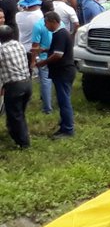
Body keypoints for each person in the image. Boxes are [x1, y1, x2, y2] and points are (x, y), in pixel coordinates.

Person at [42, 10, 75, 138]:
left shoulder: (60, 34)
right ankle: (64, 125)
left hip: (63, 72)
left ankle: (68, 129)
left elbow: (58, 55)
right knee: (62, 100)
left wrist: (43, 62)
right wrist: (45, 50)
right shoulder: (61, 33)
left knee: (64, 101)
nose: (45, 26)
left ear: (53, 22)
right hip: (63, 72)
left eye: (46, 23)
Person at [0, 23, 31, 149]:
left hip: (14, 87)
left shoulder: (2, 50)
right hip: (27, 83)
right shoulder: (19, 45)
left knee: (15, 115)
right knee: (19, 113)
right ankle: (15, 133)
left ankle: (23, 143)